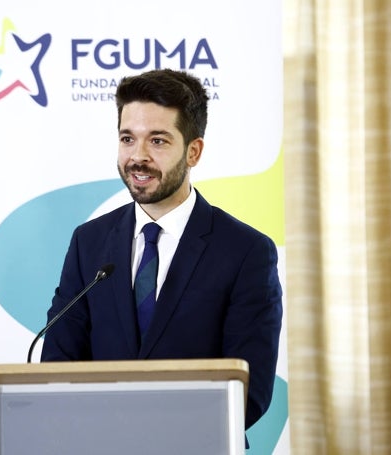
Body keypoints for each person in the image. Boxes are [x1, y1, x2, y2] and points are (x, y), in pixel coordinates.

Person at [41, 68, 283, 431]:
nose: (138, 157)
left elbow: (250, 392)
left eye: (158, 141)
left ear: (193, 151)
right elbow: (58, 365)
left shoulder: (246, 251)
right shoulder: (88, 242)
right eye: (127, 138)